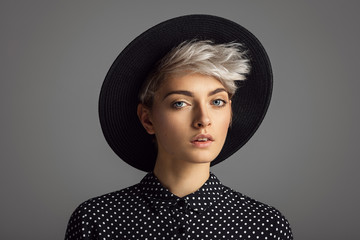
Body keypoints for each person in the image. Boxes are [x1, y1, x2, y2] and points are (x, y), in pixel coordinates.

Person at [65, 15, 293, 239]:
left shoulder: (266, 226)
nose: (203, 119)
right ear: (147, 119)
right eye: (180, 103)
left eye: (217, 102)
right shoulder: (96, 221)